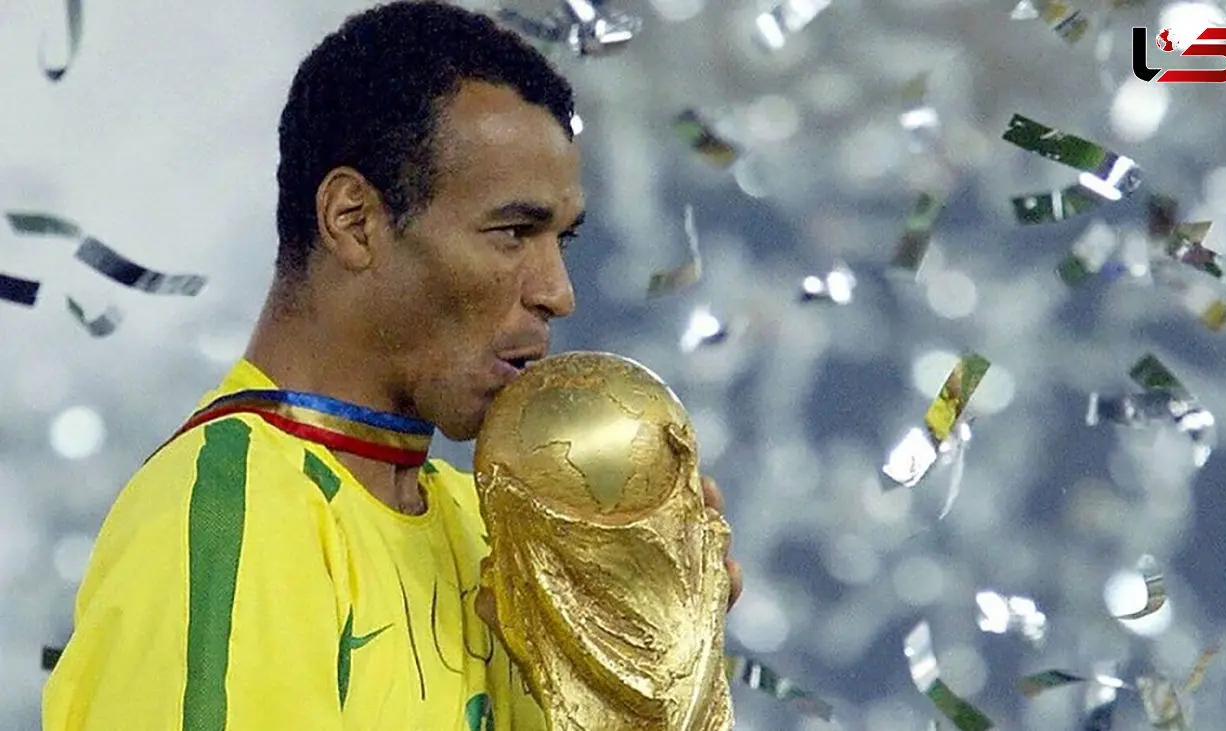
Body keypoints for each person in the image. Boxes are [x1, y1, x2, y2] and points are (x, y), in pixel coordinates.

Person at [42, 1, 742, 729]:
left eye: (560, 240)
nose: (557, 292)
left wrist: (655, 685)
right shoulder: (227, 520)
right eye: (513, 232)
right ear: (354, 220)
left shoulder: (492, 528)